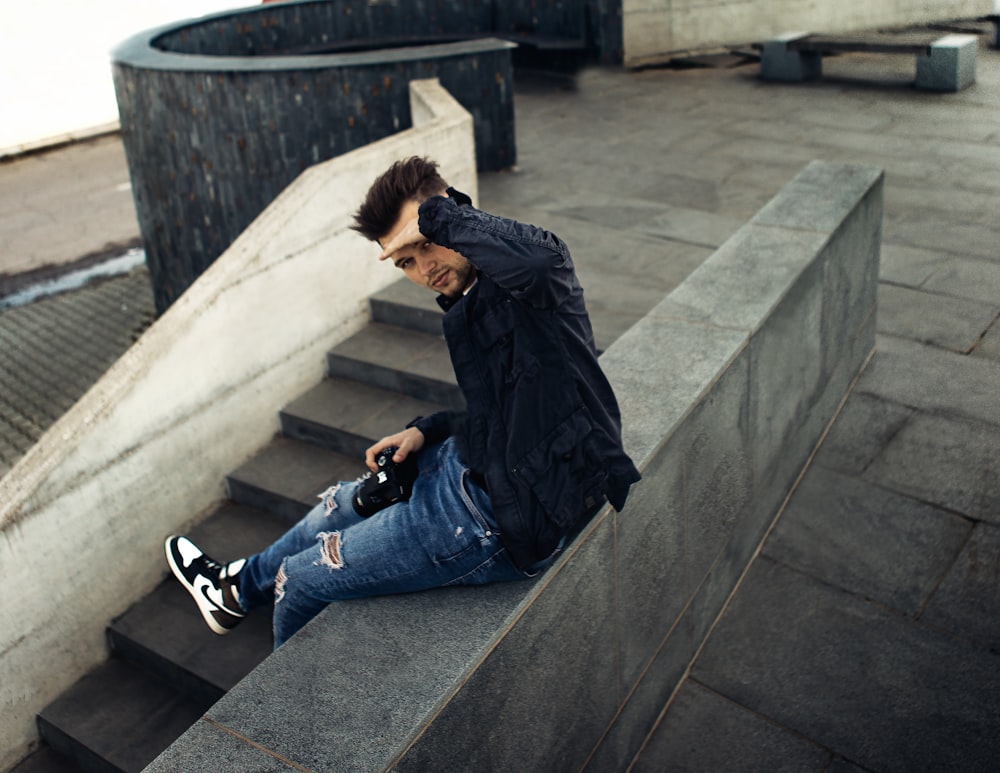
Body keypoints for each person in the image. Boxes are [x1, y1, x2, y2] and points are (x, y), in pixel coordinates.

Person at [165, 157, 640, 647]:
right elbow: (511, 408)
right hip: (478, 468)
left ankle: (279, 720)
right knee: (342, 503)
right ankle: (233, 591)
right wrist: (429, 430)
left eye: (426, 244)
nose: (424, 268)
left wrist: (436, 216)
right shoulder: (469, 300)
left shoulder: (534, 282)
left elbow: (541, 260)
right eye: (405, 261)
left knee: (300, 582)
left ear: (452, 214)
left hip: (502, 518)